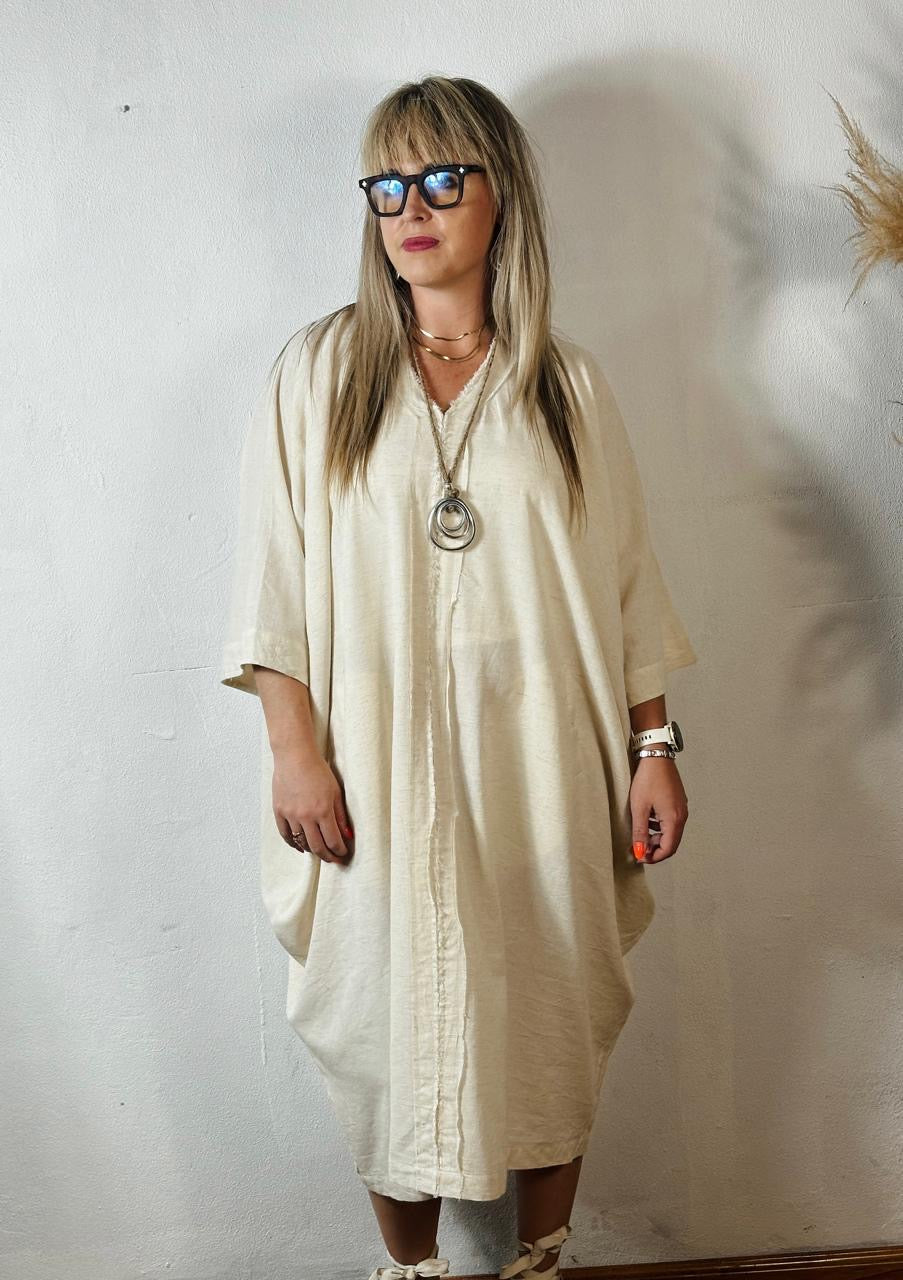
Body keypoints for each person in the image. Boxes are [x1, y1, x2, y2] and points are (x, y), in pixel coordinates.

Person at [220, 75, 698, 1280]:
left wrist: (653, 747)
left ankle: (540, 1259)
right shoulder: (319, 373)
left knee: (551, 992)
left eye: (440, 178)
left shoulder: (567, 386)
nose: (411, 209)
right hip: (373, 761)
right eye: (387, 185)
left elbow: (628, 581)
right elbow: (273, 575)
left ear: (502, 193)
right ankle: (413, 1270)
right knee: (382, 1007)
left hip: (546, 753)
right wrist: (294, 749)